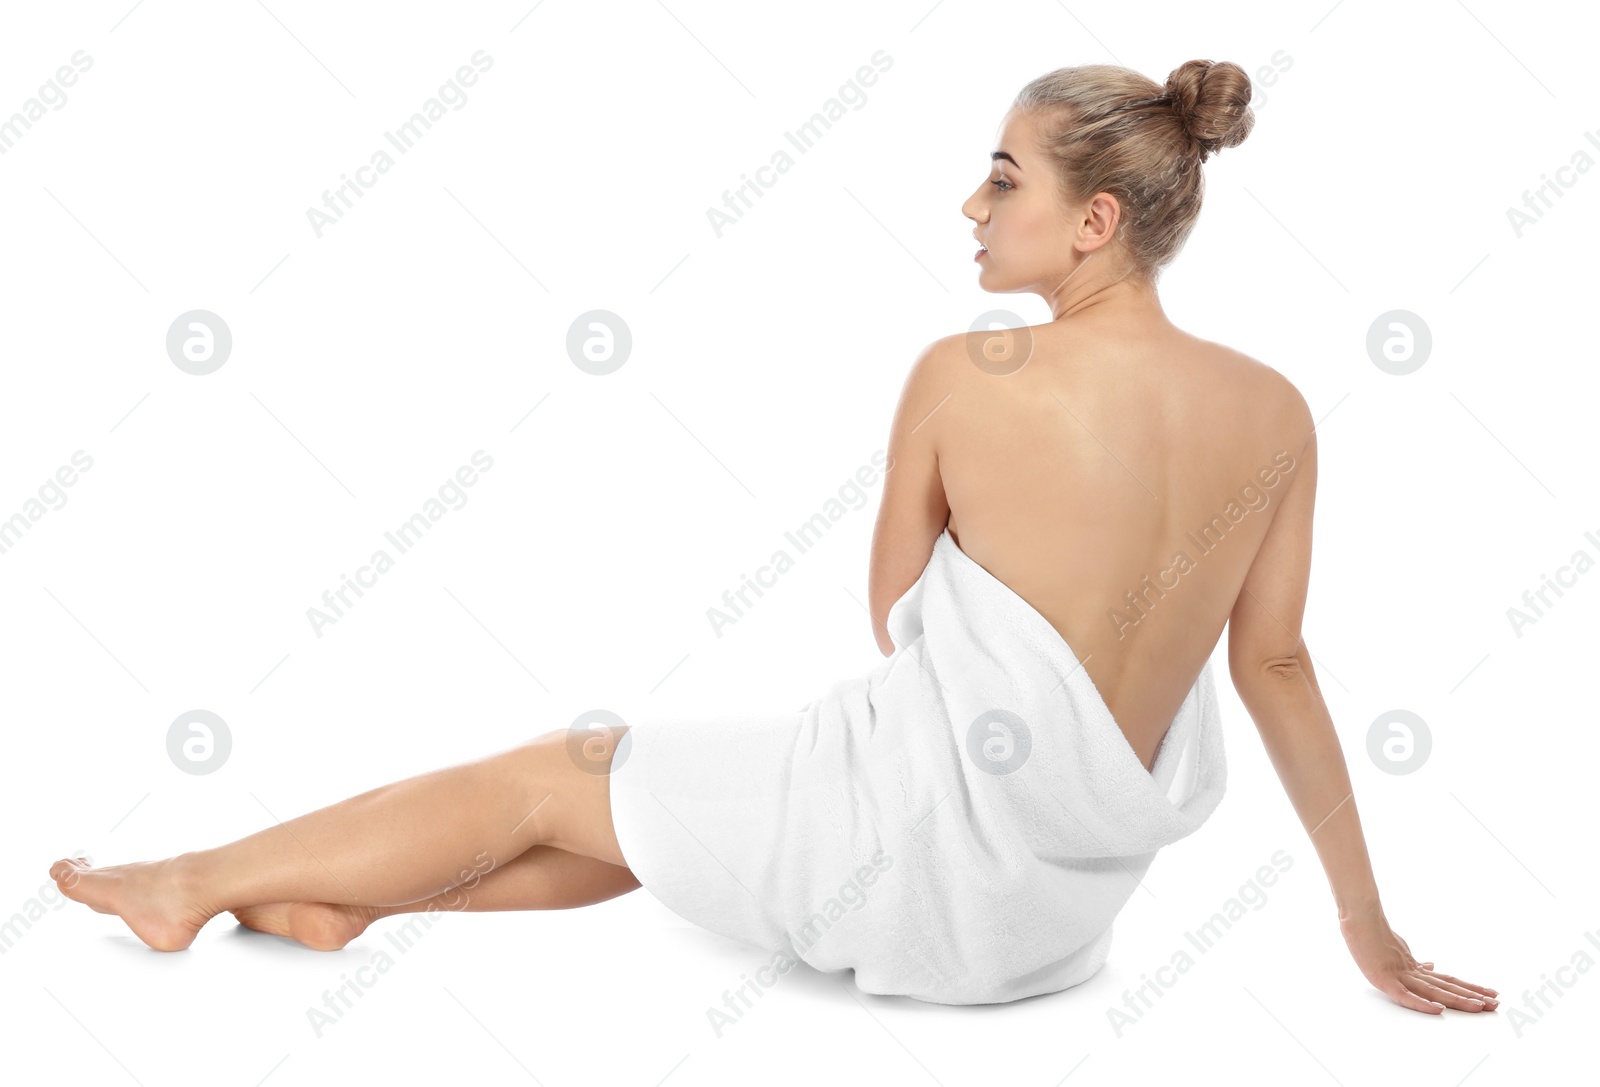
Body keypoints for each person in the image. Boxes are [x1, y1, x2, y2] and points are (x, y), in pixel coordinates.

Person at [50, 59, 1497, 1015]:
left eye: (1005, 176)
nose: (973, 203)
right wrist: (1369, 935)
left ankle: (194, 882)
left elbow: (893, 614)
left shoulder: (968, 369)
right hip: (1050, 927)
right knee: (657, 824)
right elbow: (1282, 666)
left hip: (912, 848)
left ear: (1095, 219)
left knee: (571, 767)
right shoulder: (1277, 411)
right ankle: (338, 907)